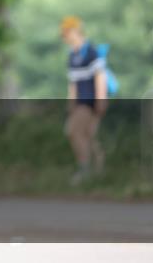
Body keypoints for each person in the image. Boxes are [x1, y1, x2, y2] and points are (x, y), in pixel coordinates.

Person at [61, 15, 107, 185]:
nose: (64, 38)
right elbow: (73, 83)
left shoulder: (91, 51)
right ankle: (98, 171)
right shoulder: (72, 56)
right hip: (80, 103)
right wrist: (70, 103)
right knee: (88, 136)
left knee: (73, 131)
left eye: (66, 33)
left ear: (74, 31)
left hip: (89, 102)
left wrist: (101, 99)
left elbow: (100, 76)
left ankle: (85, 168)